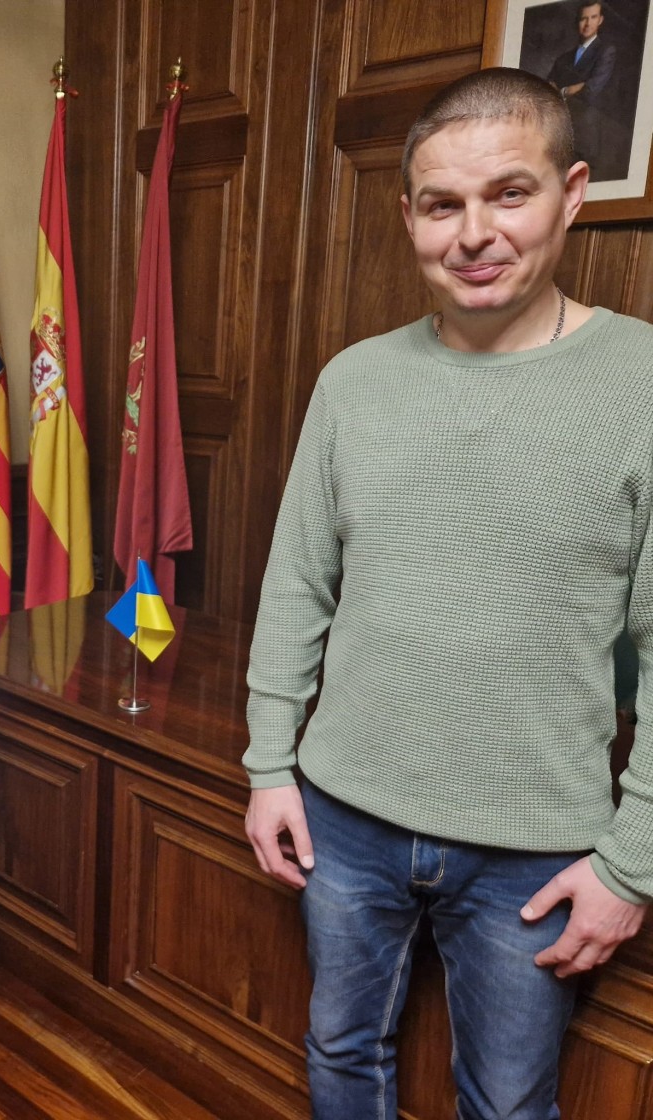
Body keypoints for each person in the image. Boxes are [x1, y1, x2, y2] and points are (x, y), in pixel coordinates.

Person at [243, 67, 652, 1120]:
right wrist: (267, 767)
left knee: (510, 1102)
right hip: (341, 818)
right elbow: (295, 588)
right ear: (409, 217)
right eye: (442, 204)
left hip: (538, 844)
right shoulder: (351, 382)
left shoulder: (642, 383)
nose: (474, 233)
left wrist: (631, 865)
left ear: (571, 193)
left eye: (507, 194)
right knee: (339, 1054)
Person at [547, 1, 616, 176]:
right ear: (577, 21)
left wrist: (561, 92)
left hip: (586, 134)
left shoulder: (606, 51)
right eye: (583, 18)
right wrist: (570, 89)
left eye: (593, 17)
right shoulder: (564, 58)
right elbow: (547, 91)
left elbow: (592, 89)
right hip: (561, 135)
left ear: (600, 20)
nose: (587, 23)